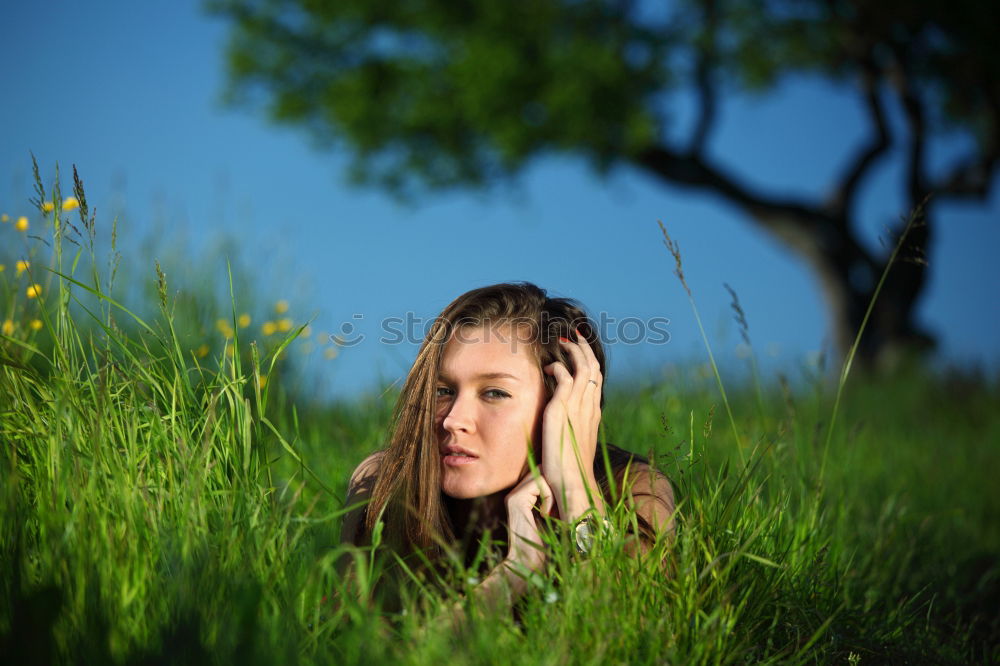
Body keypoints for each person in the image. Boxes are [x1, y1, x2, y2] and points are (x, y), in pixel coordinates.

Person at [339, 282, 675, 611]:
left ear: (563, 404)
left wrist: (576, 490)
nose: (453, 420)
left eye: (494, 393)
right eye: (443, 390)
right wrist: (515, 573)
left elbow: (631, 634)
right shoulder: (385, 485)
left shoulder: (632, 488)